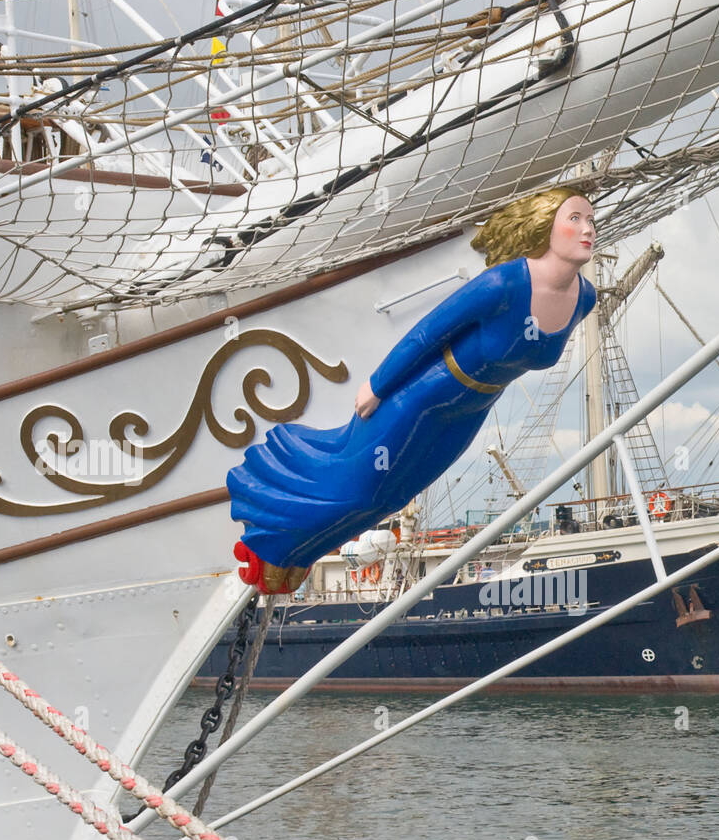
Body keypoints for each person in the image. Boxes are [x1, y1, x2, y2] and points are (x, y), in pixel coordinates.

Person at [228, 186, 598, 592]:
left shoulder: (584, 298)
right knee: (361, 491)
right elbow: (427, 334)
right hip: (422, 397)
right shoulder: (504, 284)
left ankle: (294, 558)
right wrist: (378, 386)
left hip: (474, 407)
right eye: (575, 218)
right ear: (544, 225)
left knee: (395, 498)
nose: (588, 228)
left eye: (591, 220)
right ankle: (269, 540)